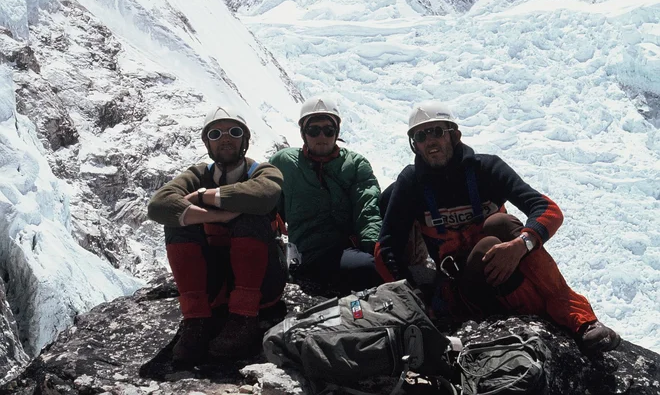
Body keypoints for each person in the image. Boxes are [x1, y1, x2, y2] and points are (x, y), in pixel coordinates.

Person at [375, 100, 621, 353]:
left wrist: (521, 245)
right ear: (414, 144)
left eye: (436, 131)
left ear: (454, 135)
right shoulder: (411, 183)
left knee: (501, 224)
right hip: (460, 291)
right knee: (491, 242)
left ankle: (580, 320)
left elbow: (547, 209)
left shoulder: (486, 169)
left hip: (509, 273)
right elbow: (386, 249)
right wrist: (415, 298)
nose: (430, 141)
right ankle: (564, 320)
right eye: (421, 135)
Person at [147, 106, 286, 367]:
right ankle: (196, 321)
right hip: (218, 279)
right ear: (206, 141)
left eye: (234, 132)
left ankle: (244, 319)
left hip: (262, 280)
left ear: (245, 141)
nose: (225, 138)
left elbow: (263, 195)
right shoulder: (197, 174)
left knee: (251, 216)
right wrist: (218, 216)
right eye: (216, 133)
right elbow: (159, 205)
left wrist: (202, 197)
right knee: (177, 222)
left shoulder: (262, 171)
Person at [269, 95, 383, 294]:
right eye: (314, 130)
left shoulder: (355, 164)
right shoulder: (285, 163)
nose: (321, 136)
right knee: (367, 269)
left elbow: (367, 207)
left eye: (328, 130)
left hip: (347, 247)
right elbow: (269, 207)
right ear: (304, 133)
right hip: (307, 251)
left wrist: (374, 248)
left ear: (336, 132)